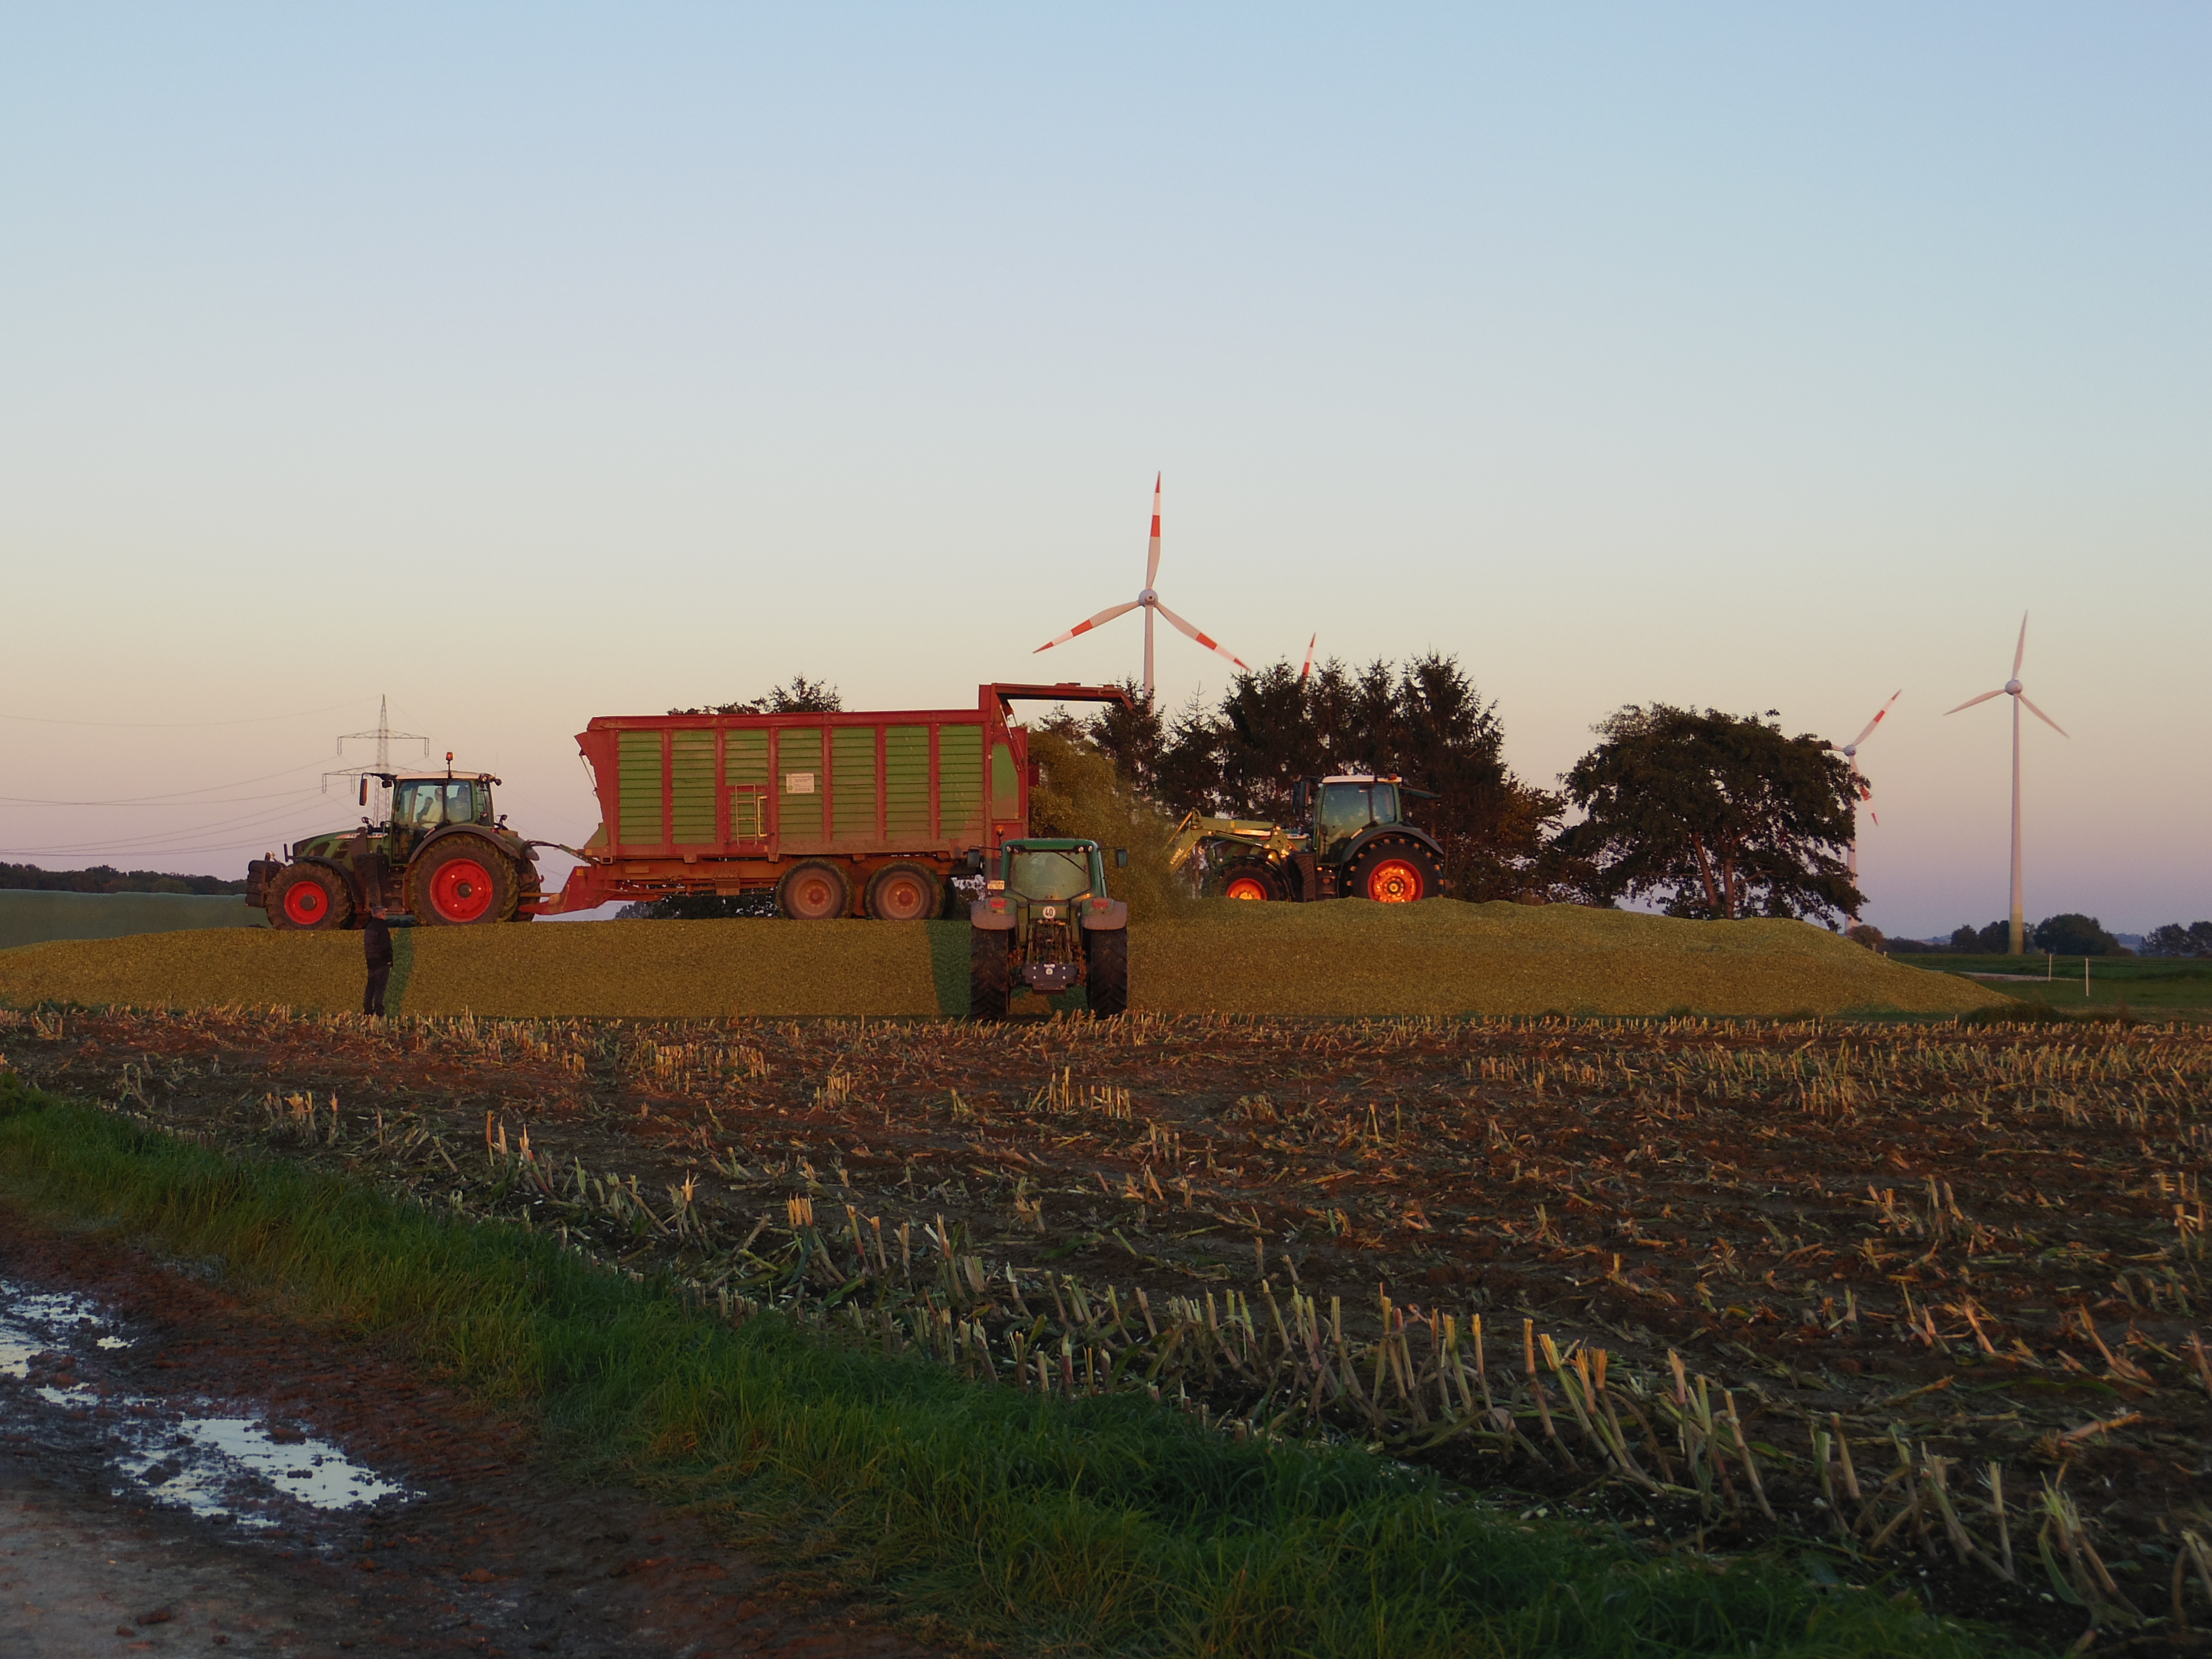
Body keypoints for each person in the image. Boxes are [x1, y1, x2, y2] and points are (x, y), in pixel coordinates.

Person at [363, 910, 394, 1017]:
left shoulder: (369, 927)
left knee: (371, 985)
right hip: (381, 961)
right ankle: (379, 1010)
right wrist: (389, 959)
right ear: (381, 915)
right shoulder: (382, 928)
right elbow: (385, 946)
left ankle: (368, 1010)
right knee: (380, 987)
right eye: (385, 914)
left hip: (371, 960)